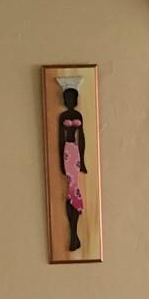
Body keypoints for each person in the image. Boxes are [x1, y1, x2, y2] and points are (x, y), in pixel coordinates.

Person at [57, 85, 87, 251]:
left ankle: (74, 235)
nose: (70, 101)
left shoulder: (78, 115)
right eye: (67, 99)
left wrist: (83, 160)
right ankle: (73, 234)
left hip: (76, 153)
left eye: (72, 99)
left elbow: (81, 137)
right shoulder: (63, 117)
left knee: (74, 189)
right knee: (72, 189)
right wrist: (61, 162)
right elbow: (60, 140)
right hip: (67, 153)